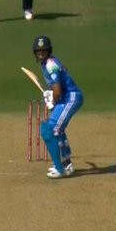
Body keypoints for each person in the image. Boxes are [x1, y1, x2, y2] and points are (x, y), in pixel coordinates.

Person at [32, 35, 83, 179]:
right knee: (55, 129)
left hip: (71, 97)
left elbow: (58, 90)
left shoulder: (50, 65)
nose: (41, 53)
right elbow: (61, 77)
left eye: (44, 50)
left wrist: (52, 101)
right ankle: (66, 165)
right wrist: (51, 94)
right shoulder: (50, 62)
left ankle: (60, 168)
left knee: (52, 129)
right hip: (66, 97)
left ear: (49, 51)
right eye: (38, 51)